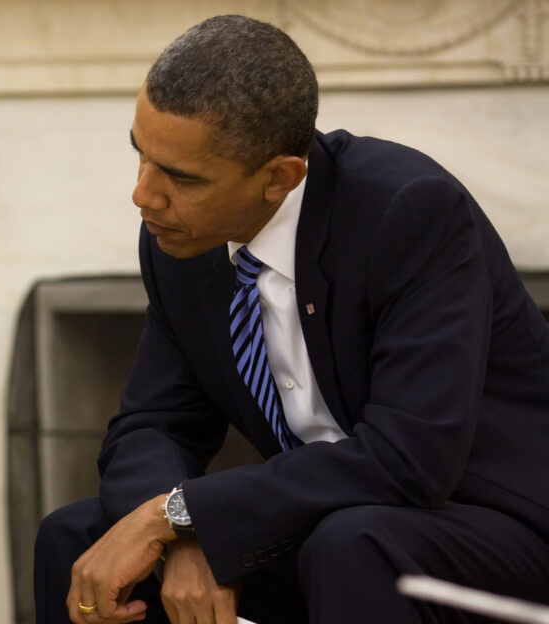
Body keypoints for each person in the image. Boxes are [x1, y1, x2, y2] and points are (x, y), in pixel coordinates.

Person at [35, 14, 549, 624]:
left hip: (493, 527)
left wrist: (180, 513)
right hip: (329, 520)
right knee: (77, 538)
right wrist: (184, 537)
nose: (143, 195)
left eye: (180, 176)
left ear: (280, 177)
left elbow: (408, 460)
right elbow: (153, 424)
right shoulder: (182, 238)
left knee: (352, 544)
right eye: (141, 156)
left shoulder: (408, 213)